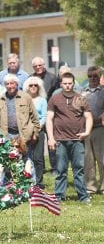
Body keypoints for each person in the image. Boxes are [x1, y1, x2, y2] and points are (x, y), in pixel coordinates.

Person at [46, 72, 93, 203]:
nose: (67, 86)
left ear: (73, 83)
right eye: (65, 83)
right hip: (60, 140)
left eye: (69, 83)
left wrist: (87, 132)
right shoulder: (54, 99)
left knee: (79, 169)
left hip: (78, 140)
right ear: (61, 84)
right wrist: (50, 138)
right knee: (61, 170)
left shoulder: (80, 98)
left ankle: (83, 197)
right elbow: (49, 118)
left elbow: (88, 117)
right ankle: (59, 196)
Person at [0, 73, 40, 151]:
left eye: (12, 83)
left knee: (25, 160)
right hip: (7, 135)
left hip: (24, 135)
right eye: (7, 84)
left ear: (17, 84)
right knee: (9, 160)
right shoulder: (0, 99)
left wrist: (35, 133)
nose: (9, 86)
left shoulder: (26, 97)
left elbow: (34, 117)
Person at [31, 56, 58, 174]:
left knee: (51, 140)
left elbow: (57, 95)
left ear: (44, 65)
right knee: (38, 143)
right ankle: (40, 168)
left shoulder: (53, 78)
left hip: (51, 113)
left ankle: (54, 167)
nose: (38, 67)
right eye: (35, 66)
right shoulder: (30, 79)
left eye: (40, 65)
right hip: (38, 115)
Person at [81, 66, 104, 194]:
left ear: (100, 76)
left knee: (102, 159)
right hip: (86, 130)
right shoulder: (83, 92)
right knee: (88, 159)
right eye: (90, 76)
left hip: (101, 128)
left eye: (95, 76)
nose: (93, 78)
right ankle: (91, 187)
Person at [23, 76, 47, 188]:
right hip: (25, 132)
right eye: (31, 85)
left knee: (38, 157)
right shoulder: (23, 100)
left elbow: (44, 117)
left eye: (35, 85)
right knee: (26, 156)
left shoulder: (42, 101)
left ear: (39, 87)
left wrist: (36, 130)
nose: (33, 87)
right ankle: (27, 180)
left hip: (39, 132)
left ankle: (38, 182)